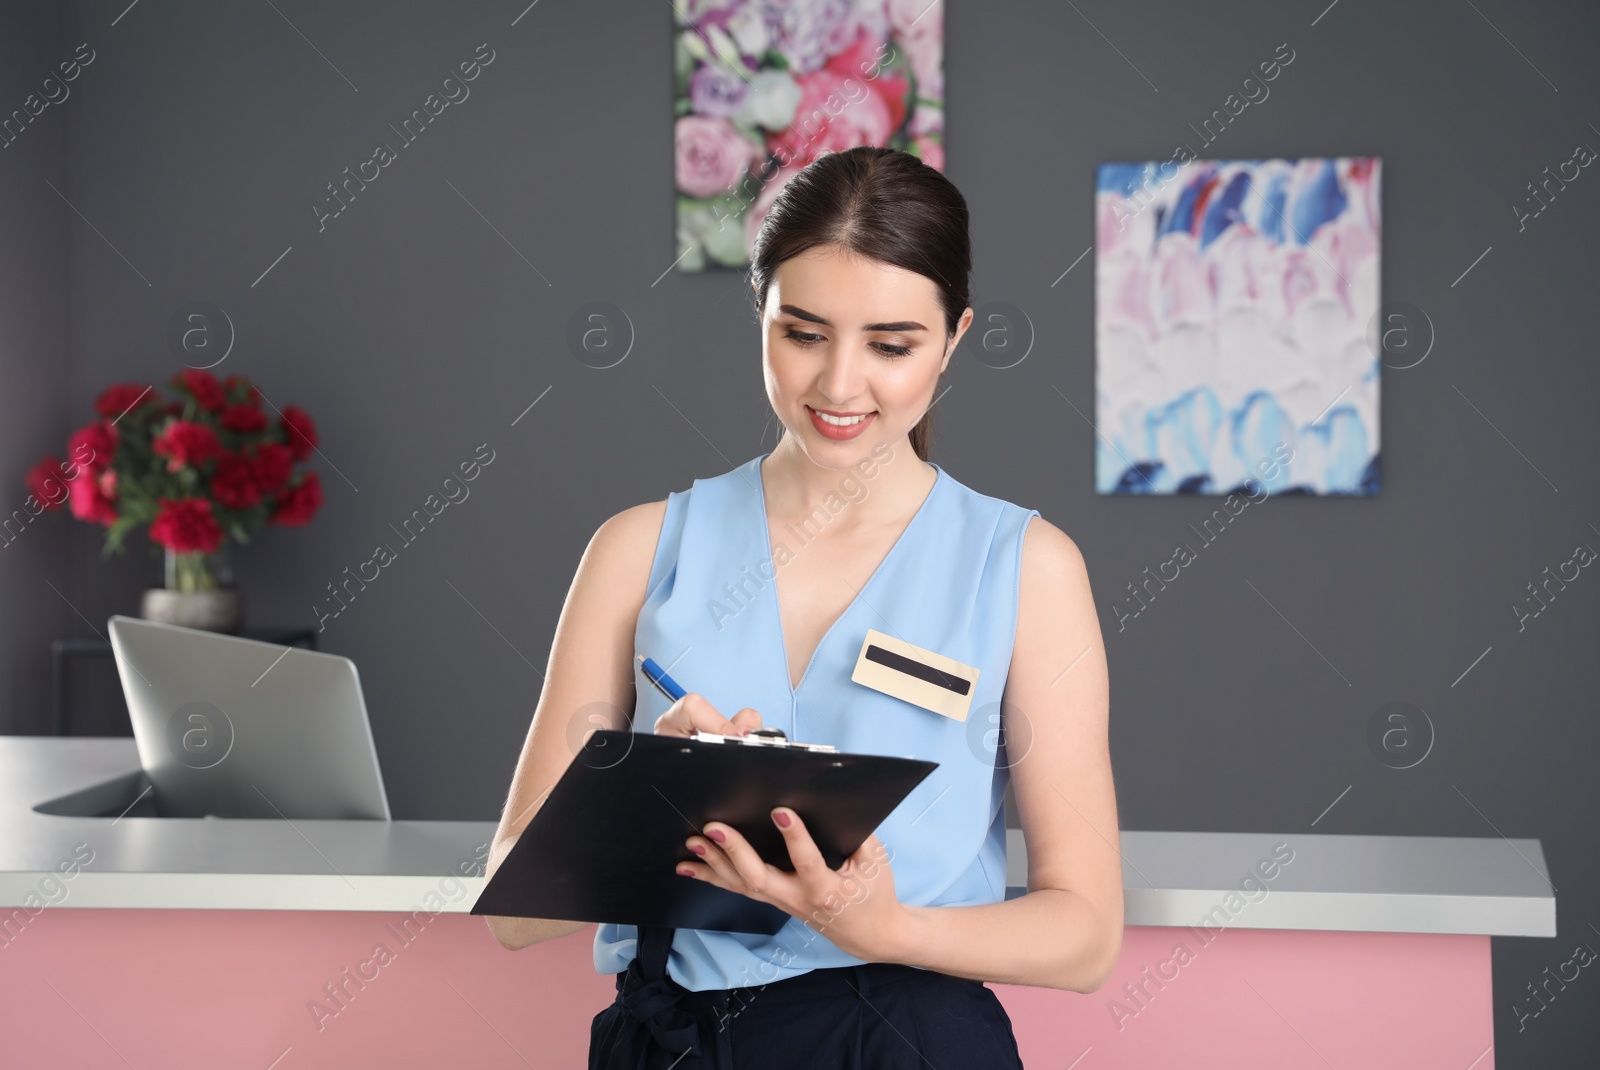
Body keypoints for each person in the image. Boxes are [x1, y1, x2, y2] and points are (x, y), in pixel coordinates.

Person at [483, 145, 1121, 1069]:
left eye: (892, 345)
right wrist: (655, 801)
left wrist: (886, 927)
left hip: (909, 1041)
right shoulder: (635, 550)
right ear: (761, 313)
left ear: (954, 337)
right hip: (670, 1041)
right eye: (804, 332)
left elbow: (1087, 935)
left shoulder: (1026, 567)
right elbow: (511, 914)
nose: (838, 386)